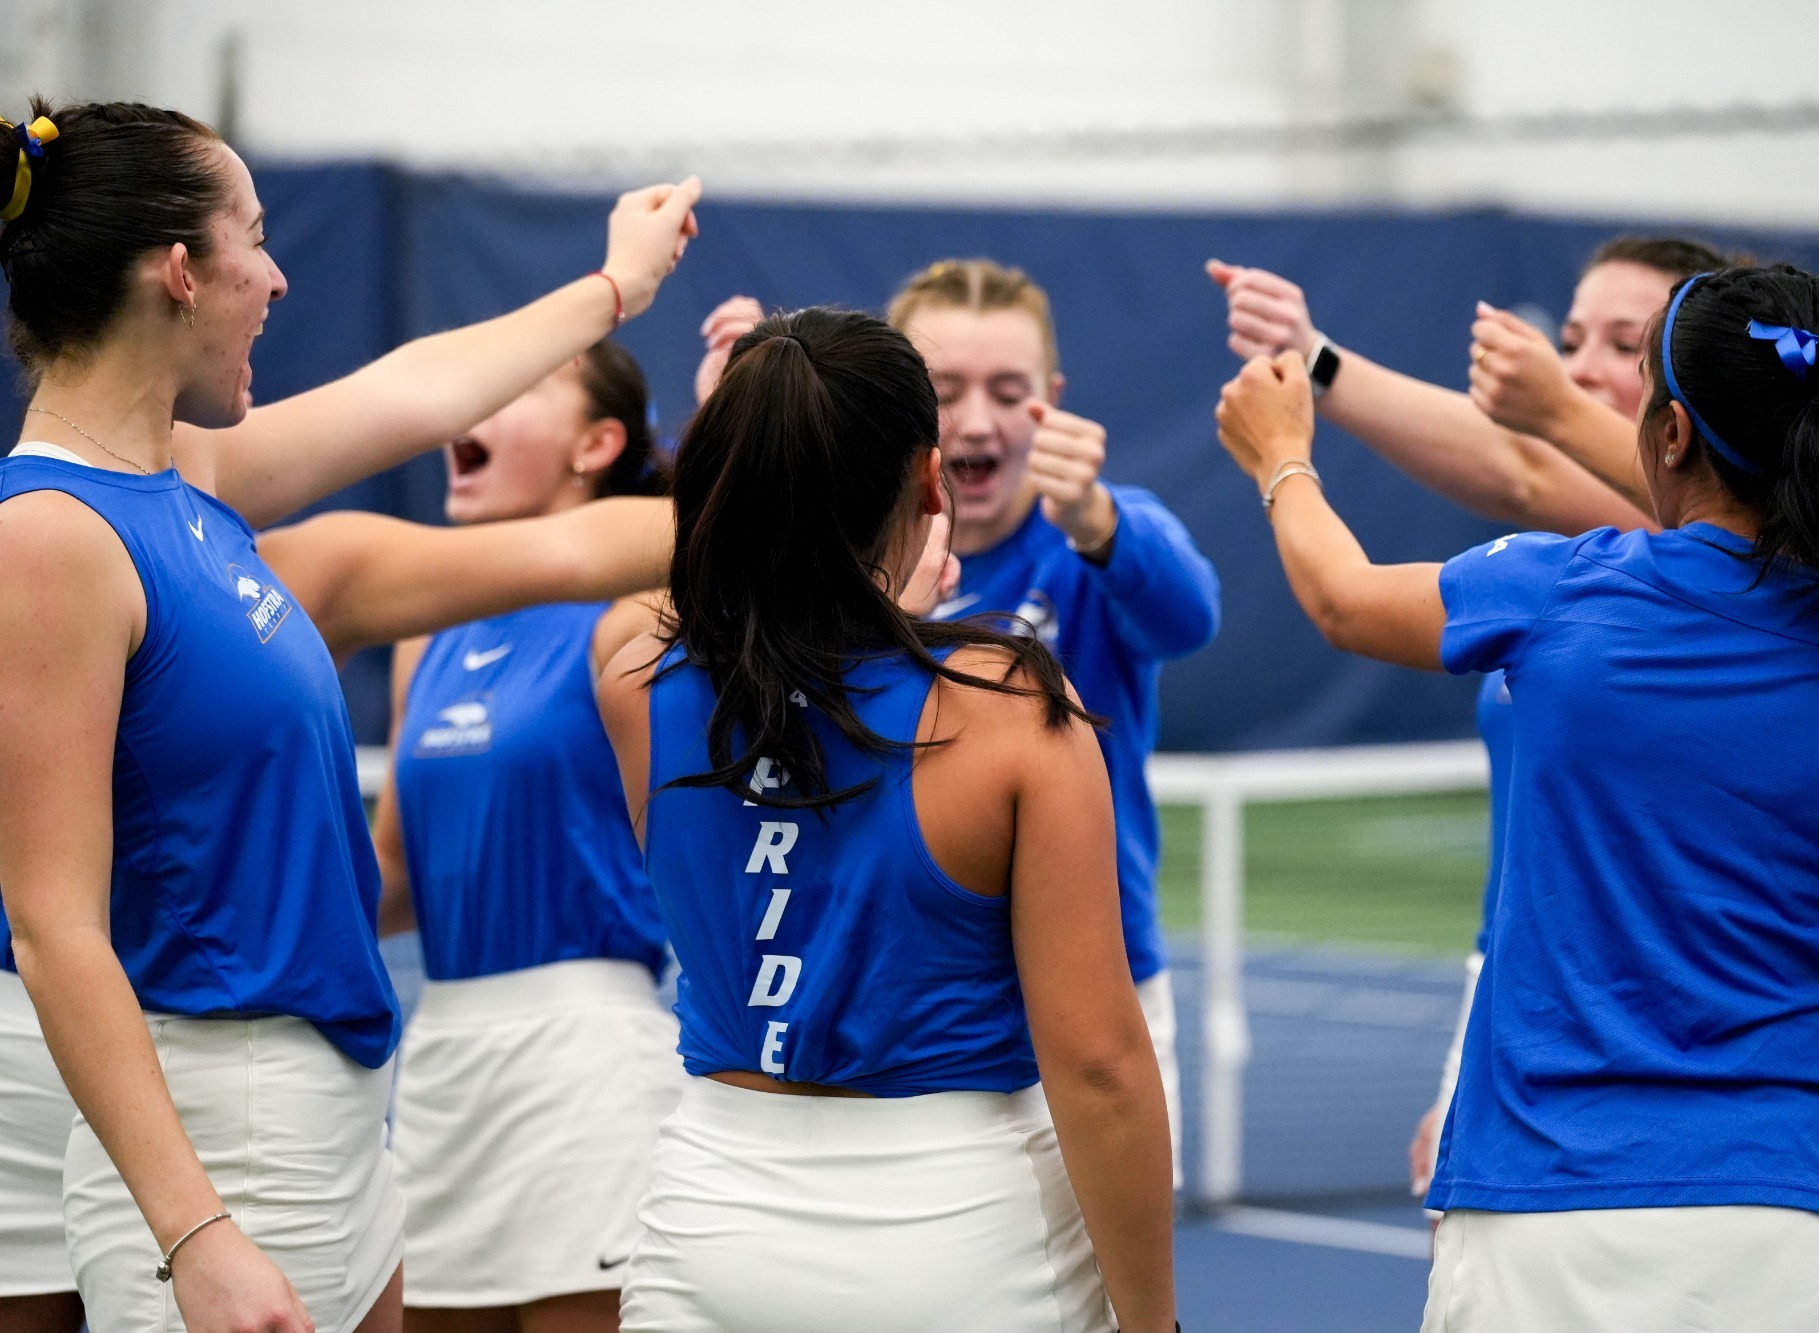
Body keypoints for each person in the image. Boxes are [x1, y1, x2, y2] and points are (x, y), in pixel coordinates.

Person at [0, 98, 696, 1333]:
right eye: (256, 238)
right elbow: (56, 928)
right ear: (179, 272)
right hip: (221, 1121)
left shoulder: (184, 483)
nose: (277, 278)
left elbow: (413, 391)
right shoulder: (49, 537)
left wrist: (614, 289)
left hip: (325, 1108)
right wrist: (197, 1232)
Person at [1213, 263, 1819, 1331]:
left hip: (1540, 1225)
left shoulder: (1562, 590)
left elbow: (1343, 600)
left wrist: (1283, 459)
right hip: (1806, 1234)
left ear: (1668, 435)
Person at [599, 307, 1176, 1332]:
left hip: (707, 1230)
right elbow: (1098, 1066)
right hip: (961, 1238)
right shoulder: (1009, 712)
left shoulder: (637, 679)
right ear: (928, 480)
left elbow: (736, 635)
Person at [1209, 235, 1733, 1194]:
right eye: (1570, 339)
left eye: (1627, 345)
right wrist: (1472, 1055)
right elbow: (1518, 464)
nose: (1580, 367)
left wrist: (1285, 454)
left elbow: (1512, 472)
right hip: (1532, 1009)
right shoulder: (1577, 565)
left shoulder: (1682, 574)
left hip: (1646, 1038)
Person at [697, 262, 1221, 1180]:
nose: (978, 421)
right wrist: (739, 439)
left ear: (1054, 400)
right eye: (946, 391)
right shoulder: (827, 551)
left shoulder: (1090, 536)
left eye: (1010, 393)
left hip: (1095, 971)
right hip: (895, 974)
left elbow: (1190, 617)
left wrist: (1098, 520)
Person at [370, 342, 683, 1333]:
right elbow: (393, 873)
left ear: (596, 444)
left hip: (588, 1060)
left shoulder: (637, 614)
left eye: (514, 386)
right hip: (441, 1059)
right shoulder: (425, 630)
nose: (473, 403)